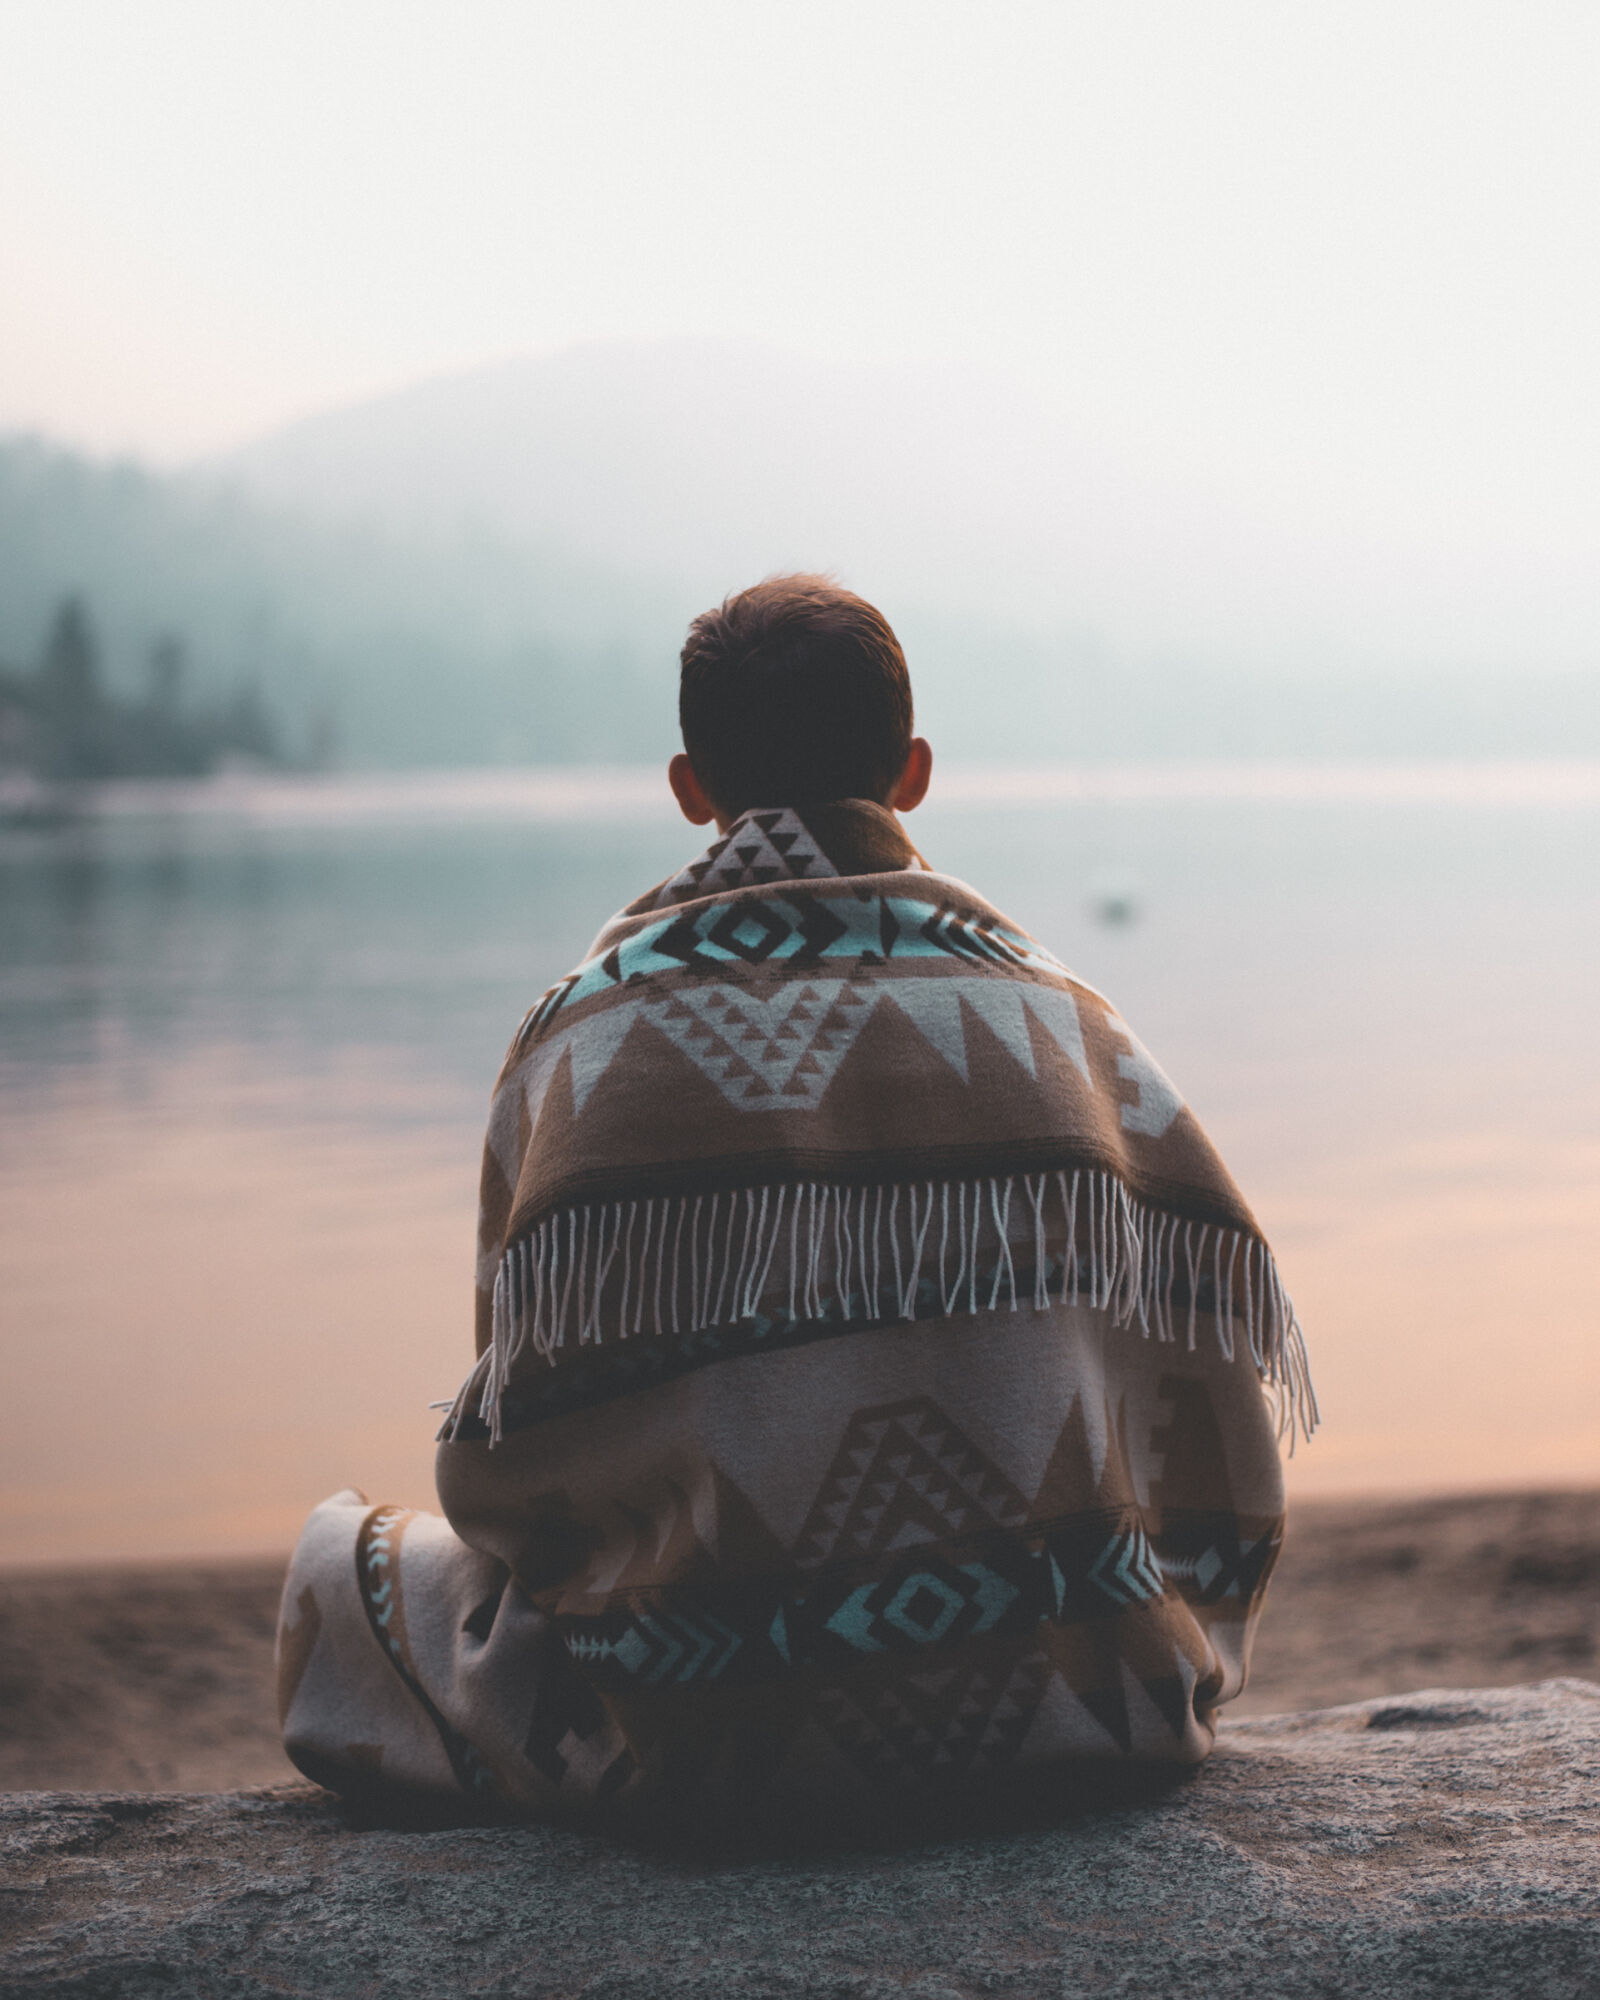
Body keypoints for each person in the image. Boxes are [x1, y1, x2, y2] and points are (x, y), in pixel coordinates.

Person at [276, 573, 1316, 1836]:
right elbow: (1213, 1389)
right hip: (1088, 1700)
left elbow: (519, 1460)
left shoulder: (580, 1040)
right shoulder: (1064, 1020)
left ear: (689, 787)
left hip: (705, 1727)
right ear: (914, 769)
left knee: (343, 1570)